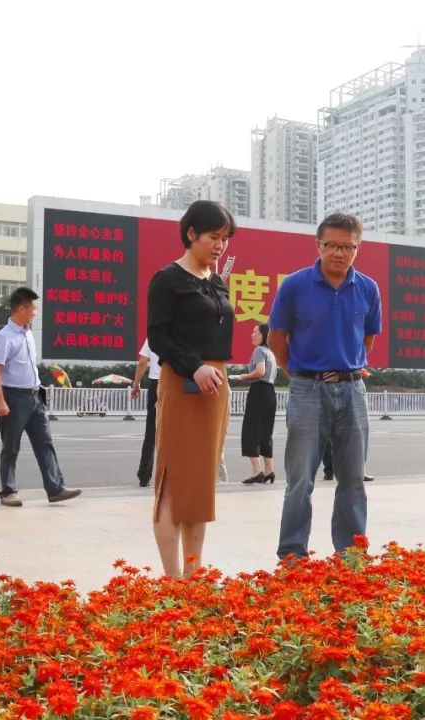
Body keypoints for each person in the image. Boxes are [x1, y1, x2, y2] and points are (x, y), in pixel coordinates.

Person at [268, 213, 381, 558]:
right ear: (318, 245)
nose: (339, 253)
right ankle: (292, 554)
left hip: (353, 391)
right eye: (331, 245)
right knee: (300, 480)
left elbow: (368, 340)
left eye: (348, 247)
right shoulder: (295, 286)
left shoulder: (367, 288)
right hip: (308, 390)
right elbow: (276, 340)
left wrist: (349, 368)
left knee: (353, 479)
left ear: (357, 249)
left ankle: (350, 554)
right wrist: (299, 374)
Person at [146, 200, 236, 578]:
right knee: (173, 482)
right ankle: (172, 580)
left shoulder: (215, 281)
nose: (220, 246)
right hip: (183, 381)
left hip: (215, 384)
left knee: (200, 484)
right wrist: (194, 367)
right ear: (190, 234)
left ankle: (194, 576)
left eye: (225, 239)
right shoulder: (168, 279)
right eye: (214, 237)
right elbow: (158, 337)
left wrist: (210, 369)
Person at [0, 288, 81, 507]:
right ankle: (8, 491)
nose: (35, 313)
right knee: (11, 446)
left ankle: (55, 488)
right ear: (22, 308)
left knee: (45, 443)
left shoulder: (28, 332)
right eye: (34, 308)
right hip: (14, 397)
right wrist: (0, 401)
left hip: (35, 396)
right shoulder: (5, 337)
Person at [231, 323, 278, 485]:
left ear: (263, 335)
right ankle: (269, 470)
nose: (252, 335)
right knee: (266, 432)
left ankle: (257, 471)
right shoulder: (270, 353)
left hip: (258, 392)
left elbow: (260, 372)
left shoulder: (259, 351)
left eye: (255, 332)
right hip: (271, 393)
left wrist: (243, 377)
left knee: (250, 430)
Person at [131, 339, 161, 488]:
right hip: (174, 384)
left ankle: (144, 474)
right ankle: (172, 474)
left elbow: (143, 361)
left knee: (151, 432)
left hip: (155, 383)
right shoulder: (180, 329)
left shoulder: (154, 334)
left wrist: (136, 384)